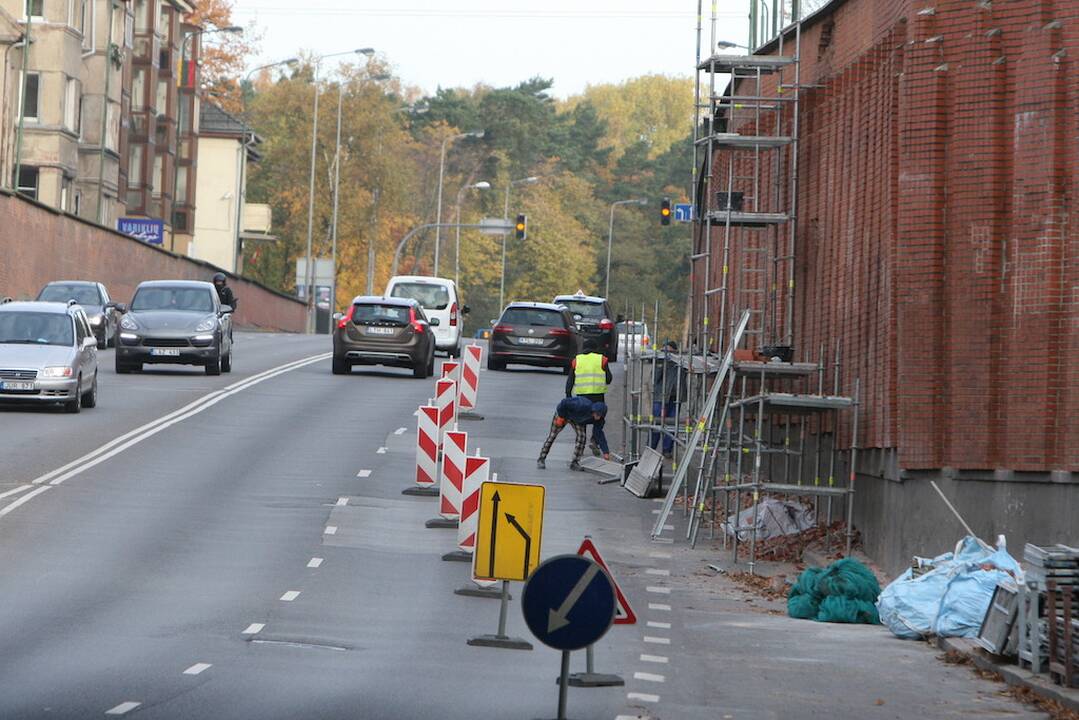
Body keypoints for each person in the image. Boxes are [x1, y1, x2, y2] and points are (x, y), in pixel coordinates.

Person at [566, 337, 613, 455]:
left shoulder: (577, 360)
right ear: (596, 349)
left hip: (582, 398)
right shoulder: (601, 359)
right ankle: (594, 440)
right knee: (598, 421)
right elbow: (609, 379)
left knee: (581, 423)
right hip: (598, 398)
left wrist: (568, 396)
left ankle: (580, 448)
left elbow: (570, 381)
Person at [537, 397, 609, 471]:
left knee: (582, 437)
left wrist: (605, 452)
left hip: (577, 420)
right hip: (564, 414)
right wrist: (561, 417)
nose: (597, 417)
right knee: (552, 436)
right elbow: (564, 403)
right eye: (596, 414)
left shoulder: (599, 420)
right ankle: (541, 459)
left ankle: (575, 462)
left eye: (600, 416)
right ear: (593, 410)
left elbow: (599, 434)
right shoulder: (582, 405)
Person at [651, 340, 683, 458]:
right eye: (664, 351)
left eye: (669, 352)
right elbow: (654, 378)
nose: (666, 354)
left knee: (672, 425)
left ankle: (667, 450)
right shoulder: (659, 362)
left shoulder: (679, 362)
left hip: (675, 398)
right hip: (660, 397)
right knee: (657, 423)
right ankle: (651, 447)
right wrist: (662, 363)